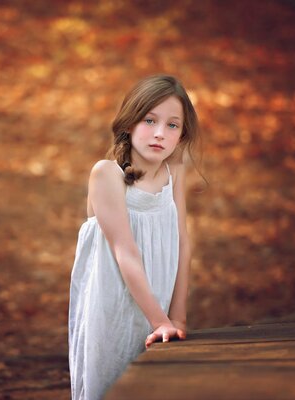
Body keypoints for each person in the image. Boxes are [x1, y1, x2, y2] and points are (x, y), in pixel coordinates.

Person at [68, 74, 202, 399]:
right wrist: (159, 321)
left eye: (172, 125)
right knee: (112, 380)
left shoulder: (175, 173)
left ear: (182, 133)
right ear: (129, 122)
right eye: (149, 120)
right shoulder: (107, 174)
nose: (160, 133)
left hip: (161, 302)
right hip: (112, 299)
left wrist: (176, 316)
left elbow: (183, 243)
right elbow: (124, 251)